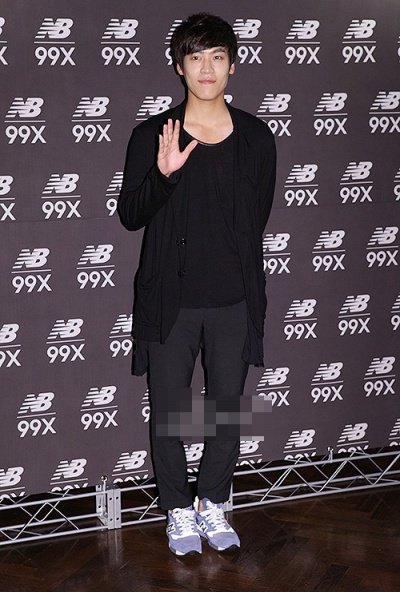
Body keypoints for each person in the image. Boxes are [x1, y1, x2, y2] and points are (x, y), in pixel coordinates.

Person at [118, 13, 276, 556]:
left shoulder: (257, 137)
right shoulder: (151, 135)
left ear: (233, 66)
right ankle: (178, 510)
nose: (206, 68)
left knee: (226, 411)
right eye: (195, 57)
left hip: (234, 299)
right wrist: (163, 176)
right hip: (171, 301)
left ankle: (213, 501)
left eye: (217, 57)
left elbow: (257, 217)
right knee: (168, 413)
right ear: (179, 67)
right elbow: (130, 216)